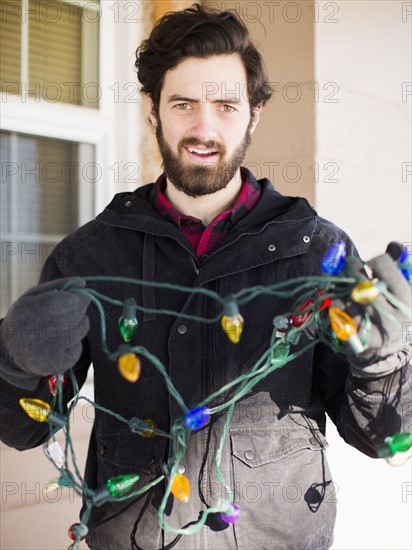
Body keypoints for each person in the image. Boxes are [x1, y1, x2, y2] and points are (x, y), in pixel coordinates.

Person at [0, 4, 410, 549]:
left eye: (225, 104)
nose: (204, 127)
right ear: (152, 110)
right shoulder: (91, 257)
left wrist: (385, 362)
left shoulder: (315, 251)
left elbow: (384, 438)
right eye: (184, 103)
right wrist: (14, 362)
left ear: (254, 113)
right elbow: (25, 428)